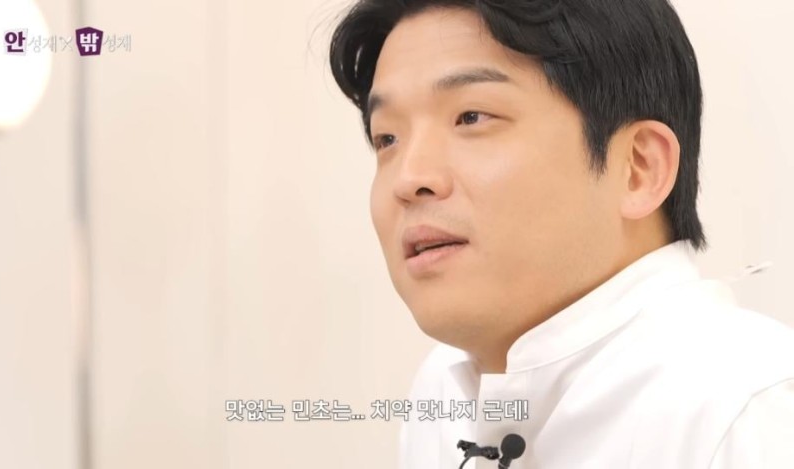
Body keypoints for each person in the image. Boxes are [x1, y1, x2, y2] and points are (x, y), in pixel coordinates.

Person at [328, 0, 794, 467]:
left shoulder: (748, 410)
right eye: (387, 138)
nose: (409, 178)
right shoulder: (442, 393)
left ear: (638, 168)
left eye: (471, 117)